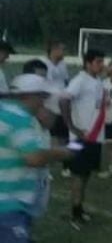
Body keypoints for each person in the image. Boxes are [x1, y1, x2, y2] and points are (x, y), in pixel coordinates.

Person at [0, 74, 74, 243]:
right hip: (8, 203)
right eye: (42, 97)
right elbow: (34, 158)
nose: (43, 103)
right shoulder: (18, 118)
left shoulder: (4, 112)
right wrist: (64, 153)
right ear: (29, 96)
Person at [59, 49, 107, 230]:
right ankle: (74, 213)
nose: (101, 65)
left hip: (94, 137)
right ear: (88, 63)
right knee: (77, 175)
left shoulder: (98, 81)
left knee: (85, 174)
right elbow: (63, 100)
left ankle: (79, 209)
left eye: (102, 61)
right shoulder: (80, 80)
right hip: (79, 138)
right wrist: (72, 127)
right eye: (98, 61)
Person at [39, 41, 70, 177]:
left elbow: (66, 81)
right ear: (53, 50)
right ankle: (47, 168)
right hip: (49, 106)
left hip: (62, 106)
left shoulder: (63, 64)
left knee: (65, 136)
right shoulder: (43, 64)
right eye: (62, 49)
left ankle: (66, 166)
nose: (64, 52)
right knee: (48, 138)